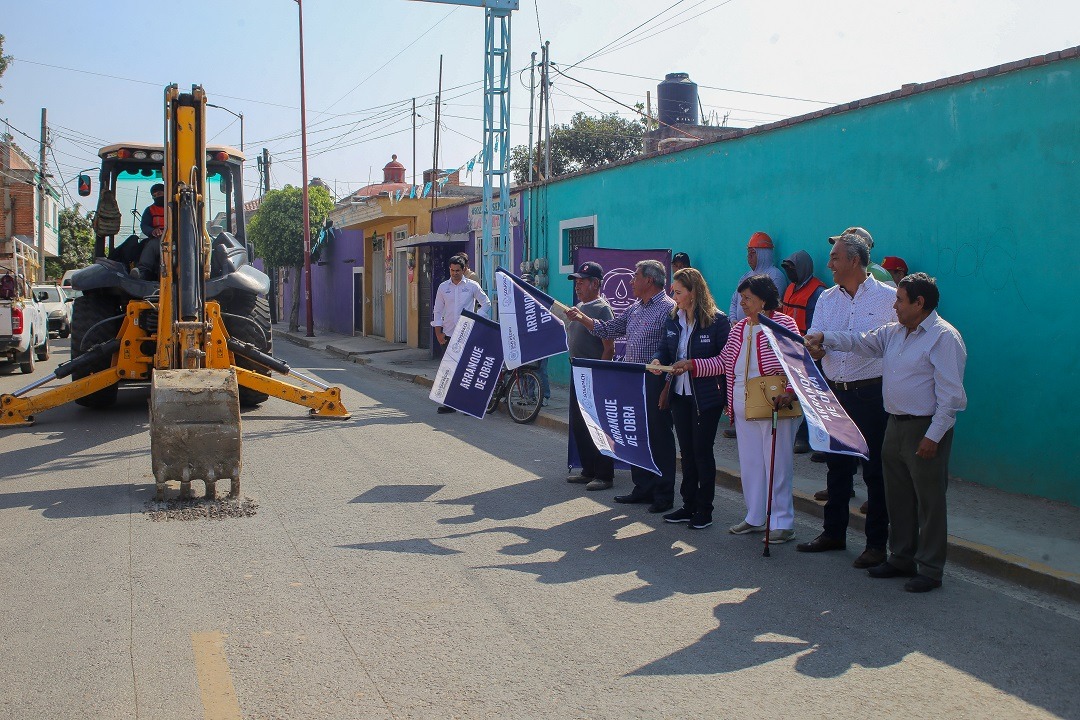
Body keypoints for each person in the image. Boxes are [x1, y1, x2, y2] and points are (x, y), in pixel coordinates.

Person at [806, 273, 966, 593]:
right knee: (898, 498)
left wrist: (933, 436)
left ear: (920, 304)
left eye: (900, 301)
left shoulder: (943, 337)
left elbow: (951, 397)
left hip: (924, 428)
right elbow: (860, 341)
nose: (894, 306)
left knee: (929, 501)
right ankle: (902, 557)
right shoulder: (895, 333)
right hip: (893, 424)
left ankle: (931, 568)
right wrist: (824, 335)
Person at [797, 232, 896, 569]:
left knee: (874, 472)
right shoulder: (827, 298)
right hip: (834, 391)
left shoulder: (888, 299)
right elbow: (819, 340)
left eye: (835, 258)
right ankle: (833, 532)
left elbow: (879, 344)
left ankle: (875, 544)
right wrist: (815, 347)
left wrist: (828, 340)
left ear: (855, 260)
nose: (829, 265)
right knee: (836, 466)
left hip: (871, 393)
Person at [688, 274, 801, 544]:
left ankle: (782, 521)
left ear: (764, 299)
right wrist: (693, 365)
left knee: (777, 464)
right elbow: (723, 362)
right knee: (751, 464)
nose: (743, 304)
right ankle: (755, 516)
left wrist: (789, 393)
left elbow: (799, 363)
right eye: (741, 299)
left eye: (748, 299)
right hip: (742, 404)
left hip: (774, 405)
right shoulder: (739, 329)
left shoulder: (782, 324)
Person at [565, 259, 677, 513]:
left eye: (635, 275)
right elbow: (609, 329)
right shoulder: (635, 308)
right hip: (632, 380)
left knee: (659, 438)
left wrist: (667, 385)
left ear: (649, 280)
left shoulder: (668, 309)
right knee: (635, 436)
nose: (630, 281)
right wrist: (582, 318)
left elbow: (673, 349)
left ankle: (663, 492)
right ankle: (643, 487)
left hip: (656, 380)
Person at [651, 268, 730, 529]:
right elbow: (665, 348)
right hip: (679, 394)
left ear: (693, 292)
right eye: (673, 291)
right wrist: (658, 360)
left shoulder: (718, 321)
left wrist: (693, 365)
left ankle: (704, 510)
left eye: (678, 292)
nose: (674, 296)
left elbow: (724, 361)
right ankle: (688, 505)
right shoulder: (673, 318)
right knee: (686, 453)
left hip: (706, 398)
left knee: (701, 452)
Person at [564, 261, 616, 491]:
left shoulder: (602, 309)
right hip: (578, 372)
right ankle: (588, 470)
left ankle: (604, 474)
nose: (578, 286)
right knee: (580, 425)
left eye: (582, 282)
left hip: (594, 374)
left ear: (595, 284)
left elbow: (609, 347)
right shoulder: (580, 308)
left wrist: (603, 375)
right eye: (576, 282)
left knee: (597, 425)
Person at [780, 250, 826, 454]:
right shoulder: (790, 288)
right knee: (795, 393)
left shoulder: (818, 292)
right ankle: (799, 434)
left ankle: (813, 438)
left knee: (812, 396)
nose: (790, 272)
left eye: (792, 268)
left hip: (808, 350)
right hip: (789, 349)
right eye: (787, 269)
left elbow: (817, 324)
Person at [432, 255, 491, 414]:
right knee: (450, 369)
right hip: (449, 333)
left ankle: (467, 404)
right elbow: (437, 311)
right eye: (451, 270)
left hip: (468, 333)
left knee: (467, 369)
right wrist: (438, 333)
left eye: (457, 270)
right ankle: (450, 404)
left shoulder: (472, 286)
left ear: (464, 269)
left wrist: (478, 317)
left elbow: (486, 303)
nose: (454, 273)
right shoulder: (443, 287)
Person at [729, 232, 788, 323]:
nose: (749, 256)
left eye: (753, 253)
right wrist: (733, 320)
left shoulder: (775, 276)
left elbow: (770, 306)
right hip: (742, 330)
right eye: (748, 253)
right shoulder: (745, 276)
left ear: (764, 254)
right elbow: (734, 301)